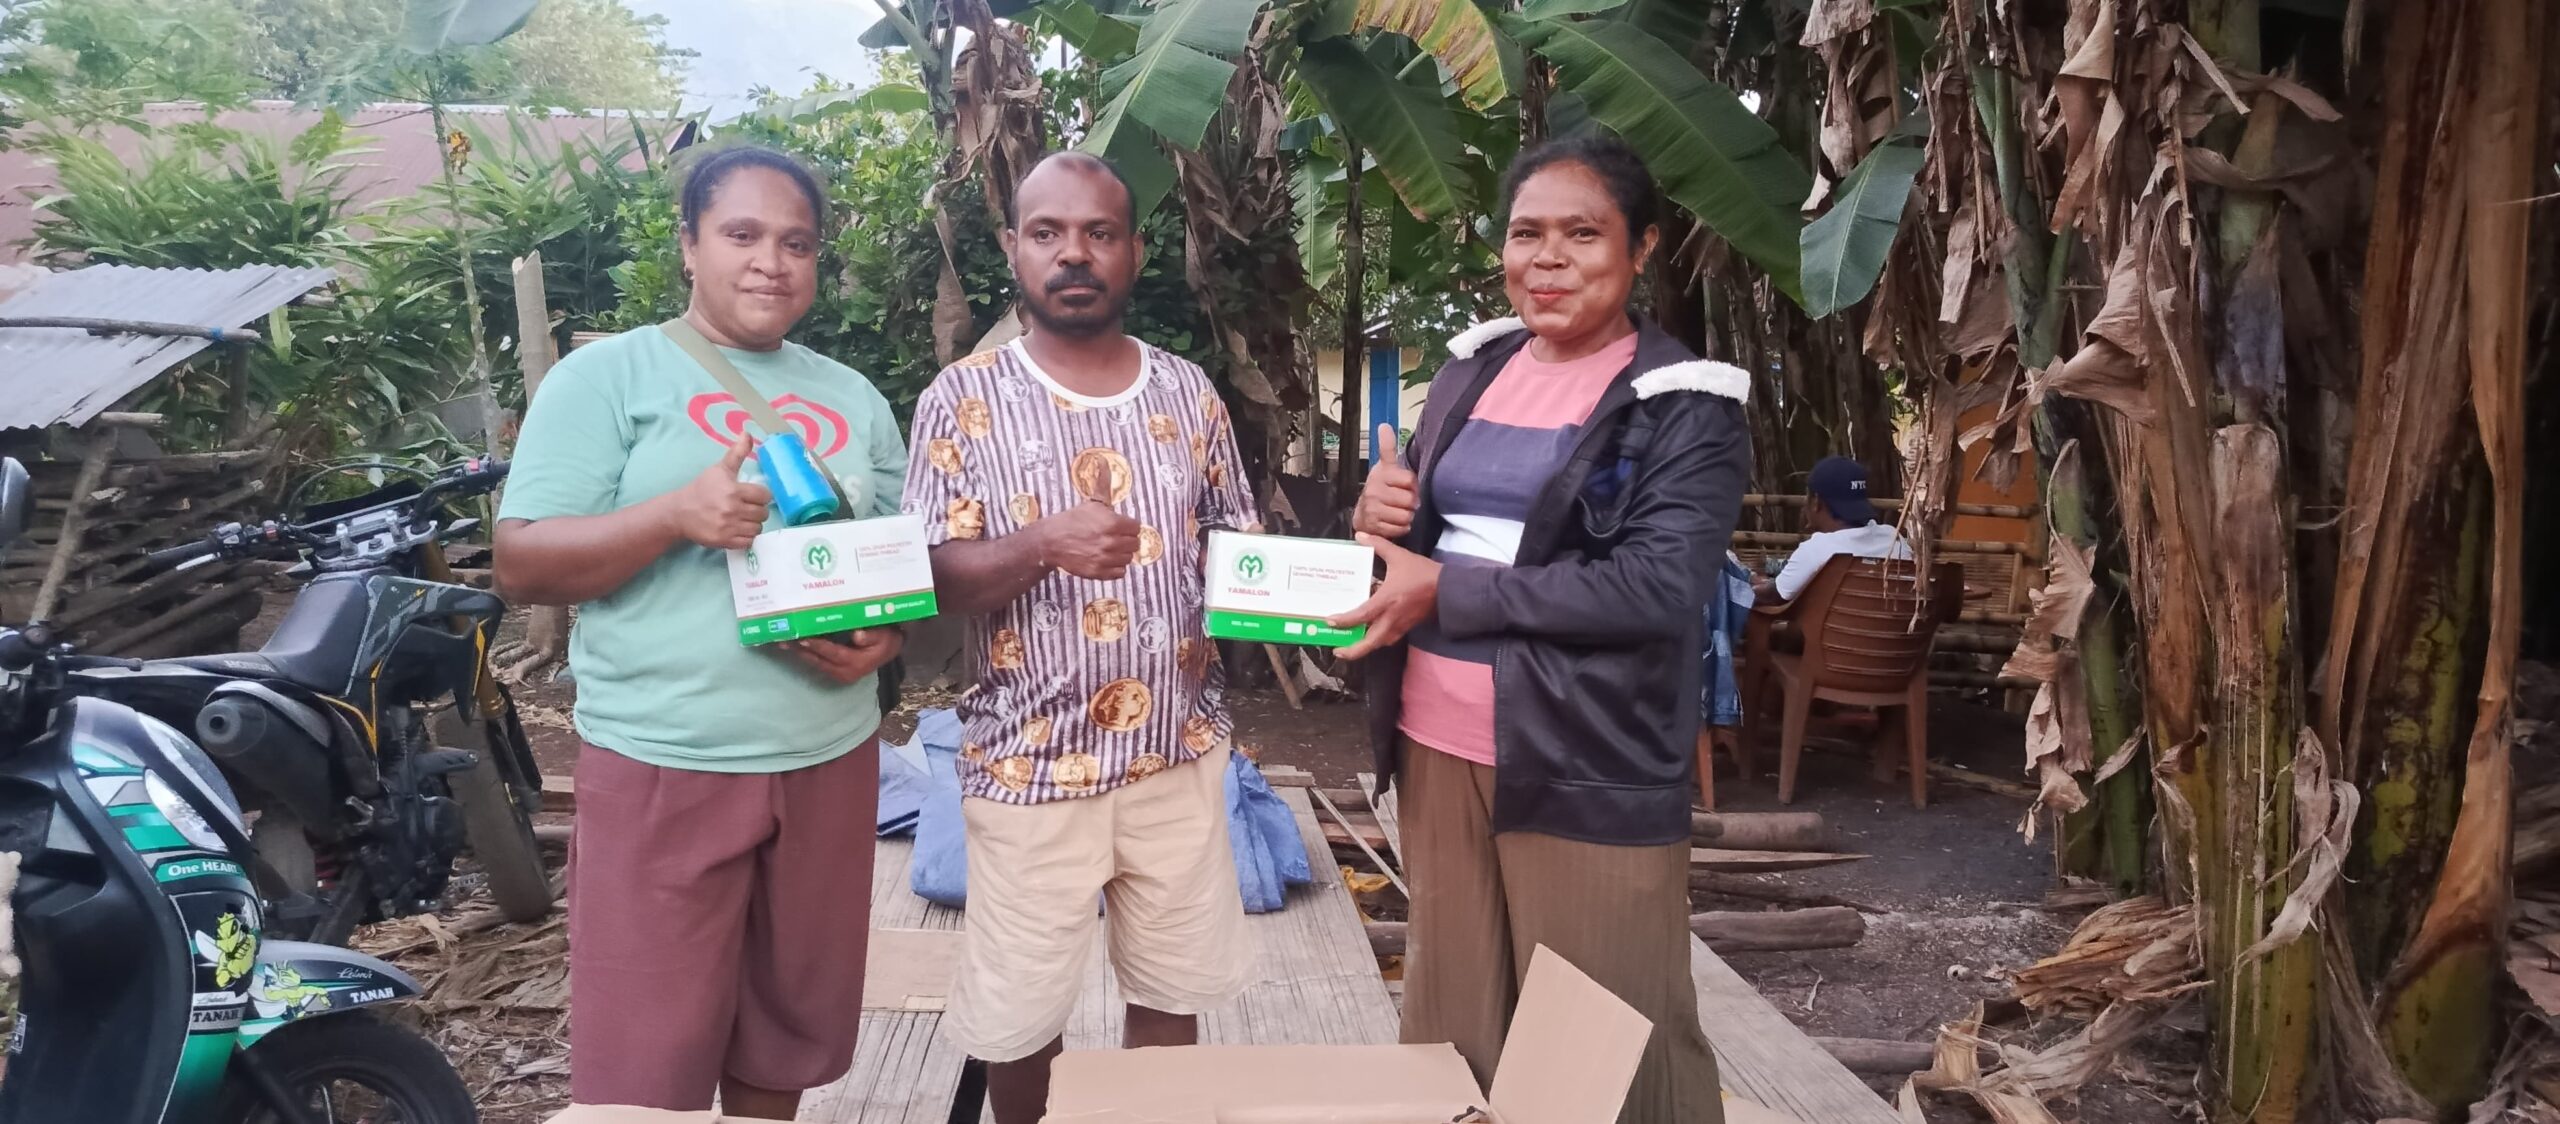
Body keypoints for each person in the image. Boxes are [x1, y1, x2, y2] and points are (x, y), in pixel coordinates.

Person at [1336, 133, 1749, 1124]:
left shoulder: (1685, 404)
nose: (1548, 258)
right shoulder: (1472, 371)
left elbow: (1655, 587)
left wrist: (1449, 592)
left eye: (1582, 234)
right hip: (1436, 739)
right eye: (1526, 234)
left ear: (1640, 248)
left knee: (1607, 1034)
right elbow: (1422, 540)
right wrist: (1378, 512)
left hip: (1584, 751)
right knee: (1455, 1017)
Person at [491, 145, 908, 1117]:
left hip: (826, 760)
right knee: (646, 1066)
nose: (771, 262)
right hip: (665, 762)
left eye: (797, 243)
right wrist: (675, 515)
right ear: (688, 245)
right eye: (742, 234)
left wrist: (884, 638)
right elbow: (522, 561)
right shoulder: (607, 378)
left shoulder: (854, 398)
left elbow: (888, 568)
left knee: (784, 1037)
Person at [901, 151, 1257, 1124]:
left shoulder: (1188, 392)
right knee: (1021, 1020)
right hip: (1029, 769)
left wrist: (1318, 600)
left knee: (1171, 989)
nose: (1074, 253)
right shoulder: (962, 399)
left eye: (1099, 233)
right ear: (1012, 248)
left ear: (1134, 251)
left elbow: (1236, 549)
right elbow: (928, 576)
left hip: (1176, 756)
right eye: (1048, 232)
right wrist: (1039, 544)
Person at [1757, 455, 1910, 604]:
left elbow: (1771, 595)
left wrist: (1746, 584)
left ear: (1816, 502)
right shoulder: (1894, 540)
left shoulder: (1816, 549)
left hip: (1827, 622)